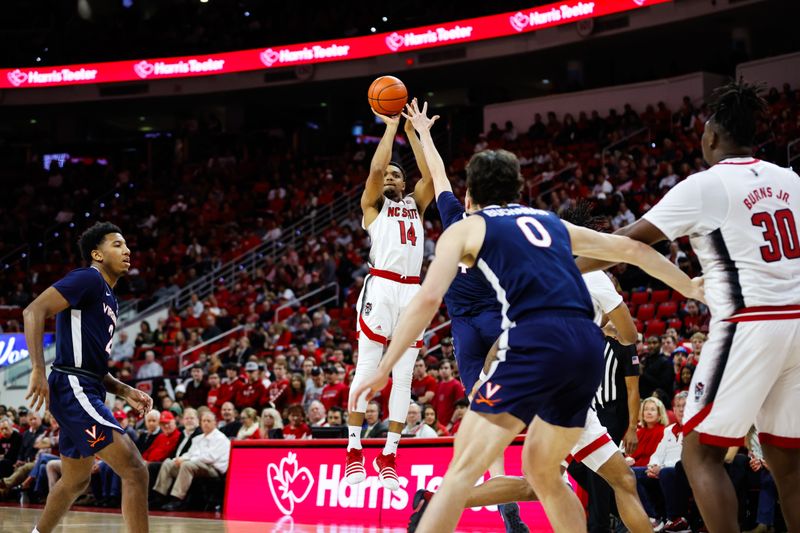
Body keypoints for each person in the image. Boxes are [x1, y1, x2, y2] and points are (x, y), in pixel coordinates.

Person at [351, 101, 701, 533]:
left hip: (535, 345)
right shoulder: (548, 220)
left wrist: (384, 368)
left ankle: (431, 513)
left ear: (470, 195)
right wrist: (689, 287)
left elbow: (425, 299)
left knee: (460, 475)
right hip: (585, 352)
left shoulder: (467, 228)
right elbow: (630, 248)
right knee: (558, 477)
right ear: (516, 189)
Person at [579, 80, 800, 533]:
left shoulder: (706, 184)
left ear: (714, 137)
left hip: (749, 322)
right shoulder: (791, 179)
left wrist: (565, 266)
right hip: (797, 322)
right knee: (787, 460)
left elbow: (627, 243)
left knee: (699, 453)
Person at [22, 221, 153, 533]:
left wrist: (123, 390)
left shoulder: (109, 297)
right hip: (73, 387)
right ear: (97, 254)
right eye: (117, 244)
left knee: (76, 479)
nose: (127, 250)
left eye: (126, 244)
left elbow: (93, 364)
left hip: (87, 386)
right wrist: (38, 369)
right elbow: (33, 311)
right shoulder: (88, 279)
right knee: (135, 469)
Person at [345, 100, 435, 490]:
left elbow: (431, 174)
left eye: (397, 176)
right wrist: (389, 128)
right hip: (381, 286)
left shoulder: (416, 203)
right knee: (367, 367)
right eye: (387, 176)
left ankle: (390, 454)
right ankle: (354, 450)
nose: (389, 178)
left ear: (404, 183)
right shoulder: (371, 207)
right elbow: (377, 168)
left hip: (412, 290)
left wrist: (415, 134)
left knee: (403, 377)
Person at [152, 411, 230, 511]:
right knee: (168, 463)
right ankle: (159, 496)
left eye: (208, 421)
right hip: (197, 465)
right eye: (204, 421)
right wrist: (178, 459)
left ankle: (177, 499)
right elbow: (190, 453)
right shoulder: (198, 438)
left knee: (187, 465)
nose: (205, 423)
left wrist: (185, 460)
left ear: (215, 423)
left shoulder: (220, 438)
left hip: (213, 469)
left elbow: (210, 458)